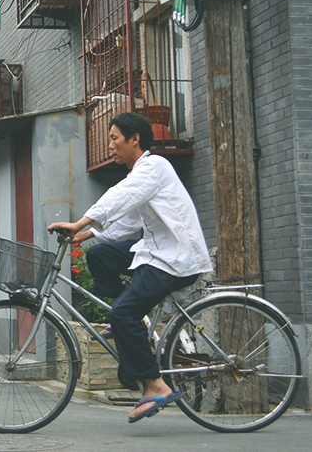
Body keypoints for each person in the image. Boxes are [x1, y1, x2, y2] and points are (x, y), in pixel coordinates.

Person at [48, 112, 212, 423]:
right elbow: (130, 220)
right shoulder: (144, 174)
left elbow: (120, 197)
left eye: (114, 138)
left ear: (134, 139)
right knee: (100, 256)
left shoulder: (153, 167)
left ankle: (156, 386)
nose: (110, 145)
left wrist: (82, 220)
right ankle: (127, 315)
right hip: (156, 251)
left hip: (175, 258)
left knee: (122, 314)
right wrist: (88, 234)